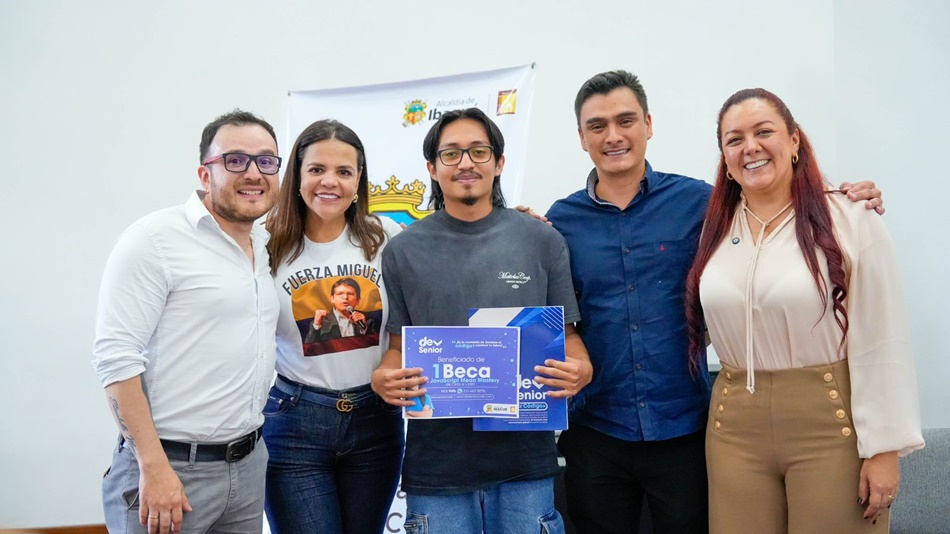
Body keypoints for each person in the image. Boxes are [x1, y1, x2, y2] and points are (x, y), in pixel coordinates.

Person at [543, 70, 887, 534]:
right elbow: (555, 310)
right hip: (597, 431)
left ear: (648, 124)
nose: (614, 136)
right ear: (581, 138)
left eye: (625, 120)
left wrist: (844, 198)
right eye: (597, 126)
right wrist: (516, 223)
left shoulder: (703, 205)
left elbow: (776, 204)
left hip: (687, 428)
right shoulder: (559, 222)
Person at [684, 88, 923, 533]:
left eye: (764, 132)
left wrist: (884, 449)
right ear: (725, 160)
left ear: (794, 140)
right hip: (733, 430)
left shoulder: (850, 217)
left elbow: (883, 336)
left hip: (829, 427)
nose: (750, 147)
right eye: (734, 139)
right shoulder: (714, 228)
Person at [371, 107, 593, 534]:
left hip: (526, 461)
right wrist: (384, 376)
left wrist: (581, 368)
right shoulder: (403, 251)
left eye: (478, 151)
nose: (466, 163)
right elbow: (397, 347)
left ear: (499, 162)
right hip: (437, 467)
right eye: (451, 153)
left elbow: (568, 337)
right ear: (432, 168)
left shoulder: (542, 240)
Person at [93, 110, 281, 534]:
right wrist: (153, 466)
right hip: (170, 469)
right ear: (204, 173)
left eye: (266, 161)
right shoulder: (153, 239)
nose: (254, 173)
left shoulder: (264, 243)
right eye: (235, 160)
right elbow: (115, 358)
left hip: (249, 464)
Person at [263, 119, 404, 534]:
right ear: (297, 176)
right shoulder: (264, 243)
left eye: (344, 171)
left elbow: (447, 250)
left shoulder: (385, 236)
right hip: (295, 422)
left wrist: (515, 221)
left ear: (359, 180)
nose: (330, 181)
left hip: (376, 420)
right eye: (316, 169)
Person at [304, 277, 381, 344]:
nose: (345, 297)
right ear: (332, 298)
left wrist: (364, 329)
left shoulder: (368, 320)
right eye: (340, 293)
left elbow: (377, 345)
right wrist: (316, 326)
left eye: (350, 294)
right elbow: (309, 350)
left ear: (358, 300)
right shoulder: (321, 322)